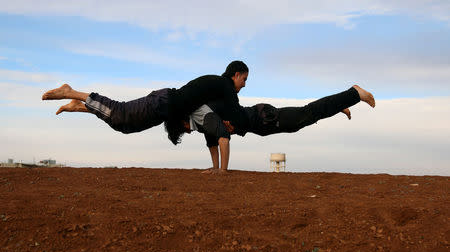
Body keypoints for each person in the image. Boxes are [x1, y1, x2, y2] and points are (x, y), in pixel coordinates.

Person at [181, 84, 375, 173]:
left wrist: (221, 170)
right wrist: (215, 168)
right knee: (306, 116)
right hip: (264, 122)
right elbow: (212, 140)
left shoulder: (204, 116)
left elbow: (222, 136)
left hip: (266, 118)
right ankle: (336, 104)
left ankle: (354, 93)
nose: (187, 131)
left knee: (305, 115)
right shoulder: (203, 121)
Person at [41, 61, 249, 138]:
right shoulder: (225, 85)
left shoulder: (218, 87)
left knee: (125, 126)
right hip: (163, 102)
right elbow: (236, 111)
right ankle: (72, 92)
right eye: (244, 79)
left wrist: (226, 123)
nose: (244, 84)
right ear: (236, 74)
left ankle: (81, 106)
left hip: (163, 107)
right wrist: (236, 125)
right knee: (120, 113)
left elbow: (221, 111)